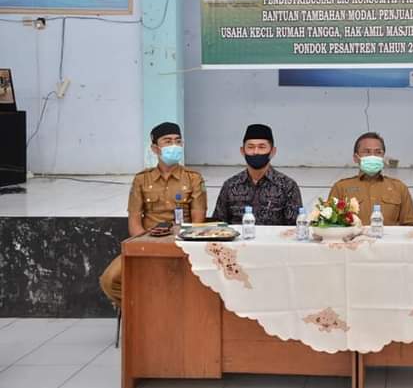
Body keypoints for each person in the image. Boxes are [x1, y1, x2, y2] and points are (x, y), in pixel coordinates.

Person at [99, 122, 207, 306]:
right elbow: (134, 222)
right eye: (167, 141)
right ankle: (143, 311)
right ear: (155, 148)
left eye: (177, 141)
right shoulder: (141, 179)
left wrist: (181, 242)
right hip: (147, 241)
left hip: (183, 244)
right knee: (110, 280)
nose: (174, 145)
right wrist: (146, 246)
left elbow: (198, 221)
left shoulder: (193, 178)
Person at [213, 124, 302, 225]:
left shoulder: (288, 186)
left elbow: (295, 227)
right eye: (250, 147)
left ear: (273, 151)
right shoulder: (230, 186)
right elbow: (218, 225)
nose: (256, 152)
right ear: (242, 151)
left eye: (262, 147)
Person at [328, 132, 413, 226]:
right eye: (367, 152)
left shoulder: (399, 188)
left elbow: (410, 225)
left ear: (383, 157)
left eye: (378, 152)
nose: (372, 156)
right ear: (356, 158)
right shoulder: (341, 188)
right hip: (353, 236)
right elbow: (329, 224)